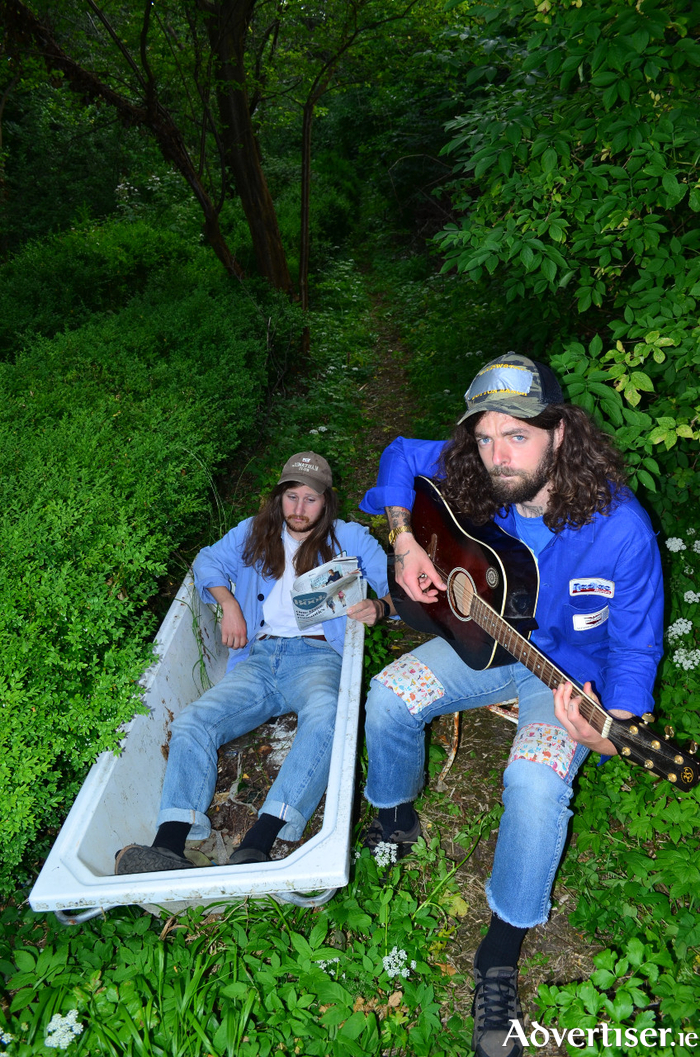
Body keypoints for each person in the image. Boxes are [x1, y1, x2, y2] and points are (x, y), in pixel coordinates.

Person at [358, 356, 664, 1057]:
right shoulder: (477, 466)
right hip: (485, 642)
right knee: (387, 697)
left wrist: (609, 729)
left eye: (517, 437)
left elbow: (635, 657)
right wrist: (404, 537)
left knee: (533, 782)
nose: (498, 457)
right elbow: (400, 455)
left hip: (564, 681)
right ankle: (395, 812)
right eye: (487, 436)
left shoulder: (623, 532)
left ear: (560, 432)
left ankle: (499, 952)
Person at [116, 452, 392, 875]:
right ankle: (170, 841)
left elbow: (393, 588)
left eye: (311, 499)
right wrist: (229, 604)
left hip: (317, 658)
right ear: (278, 498)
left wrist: (378, 606)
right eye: (291, 496)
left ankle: (260, 840)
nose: (299, 509)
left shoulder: (350, 539)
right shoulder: (254, 532)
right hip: (260, 659)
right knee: (193, 721)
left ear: (327, 501)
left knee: (328, 715)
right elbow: (207, 561)